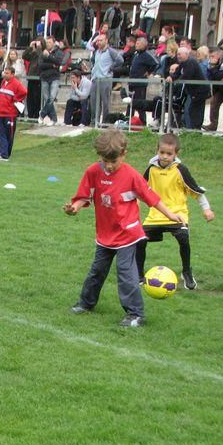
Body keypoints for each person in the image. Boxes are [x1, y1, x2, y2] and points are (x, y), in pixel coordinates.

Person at [63, 130, 185, 327]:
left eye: (114, 161)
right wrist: (74, 208)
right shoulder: (93, 172)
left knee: (125, 273)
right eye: (105, 161)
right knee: (97, 271)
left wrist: (171, 215)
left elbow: (151, 198)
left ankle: (136, 314)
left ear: (124, 154)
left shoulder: (131, 175)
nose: (109, 166)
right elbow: (83, 196)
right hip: (105, 234)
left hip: (128, 234)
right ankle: (86, 303)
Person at [136, 133, 214, 291]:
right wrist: (135, 205)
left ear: (176, 154)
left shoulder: (180, 170)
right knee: (139, 240)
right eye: (162, 152)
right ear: (157, 151)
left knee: (183, 237)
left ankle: (186, 272)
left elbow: (196, 191)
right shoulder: (151, 169)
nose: (165, 156)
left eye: (169, 153)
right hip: (155, 216)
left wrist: (206, 209)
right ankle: (138, 275)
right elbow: (140, 191)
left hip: (177, 215)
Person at [168, 46, 210, 130]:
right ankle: (192, 129)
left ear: (186, 54)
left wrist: (176, 83)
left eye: (180, 54)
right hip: (193, 91)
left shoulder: (191, 62)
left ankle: (195, 129)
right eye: (177, 54)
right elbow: (177, 73)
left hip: (200, 91)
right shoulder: (183, 63)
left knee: (195, 110)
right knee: (191, 110)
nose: (178, 56)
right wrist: (171, 77)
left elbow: (186, 76)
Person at [0, 65, 27, 162]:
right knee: (1, 134)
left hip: (9, 114)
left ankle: (5, 154)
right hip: (1, 113)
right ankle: (4, 154)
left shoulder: (16, 83)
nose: (5, 74)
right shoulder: (4, 82)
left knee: (8, 135)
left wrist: (15, 99)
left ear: (12, 74)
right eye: (4, 72)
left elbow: (24, 92)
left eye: (7, 73)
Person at [89, 34, 123, 124]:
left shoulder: (111, 51)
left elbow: (120, 60)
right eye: (98, 41)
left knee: (105, 102)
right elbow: (92, 60)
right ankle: (94, 121)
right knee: (94, 101)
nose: (98, 42)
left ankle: (105, 121)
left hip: (105, 79)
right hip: (95, 79)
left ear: (106, 41)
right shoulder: (96, 52)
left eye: (101, 40)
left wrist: (111, 68)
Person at [128, 36, 158, 125]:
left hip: (140, 84)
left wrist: (150, 73)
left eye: (138, 44)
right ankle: (128, 120)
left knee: (140, 103)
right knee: (130, 102)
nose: (136, 45)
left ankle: (143, 122)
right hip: (132, 82)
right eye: (136, 43)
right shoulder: (136, 54)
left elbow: (156, 64)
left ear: (143, 45)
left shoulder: (146, 55)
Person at [38, 35, 63, 125]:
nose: (48, 44)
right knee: (47, 98)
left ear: (53, 43)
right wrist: (52, 65)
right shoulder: (43, 52)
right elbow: (40, 65)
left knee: (51, 97)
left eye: (50, 42)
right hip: (44, 77)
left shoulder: (58, 52)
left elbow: (58, 62)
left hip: (54, 77)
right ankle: (54, 119)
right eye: (47, 42)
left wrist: (49, 57)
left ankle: (42, 114)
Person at [22, 37, 45, 120]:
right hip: (31, 78)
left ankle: (36, 115)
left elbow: (41, 58)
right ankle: (30, 115)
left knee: (37, 98)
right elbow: (24, 56)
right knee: (30, 98)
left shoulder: (43, 53)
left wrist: (39, 48)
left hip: (38, 79)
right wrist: (30, 47)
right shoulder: (34, 53)